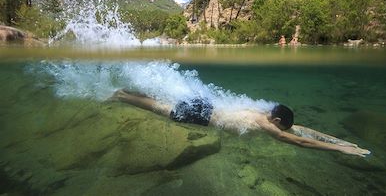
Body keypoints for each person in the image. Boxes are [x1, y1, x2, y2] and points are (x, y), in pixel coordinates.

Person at [110, 90, 371, 157]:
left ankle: (128, 91)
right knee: (161, 109)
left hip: (208, 104)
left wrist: (340, 140)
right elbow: (301, 141)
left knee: (163, 100)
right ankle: (122, 96)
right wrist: (339, 150)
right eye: (282, 127)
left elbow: (303, 130)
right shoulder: (266, 126)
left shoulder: (263, 110)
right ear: (277, 121)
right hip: (203, 116)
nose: (284, 131)